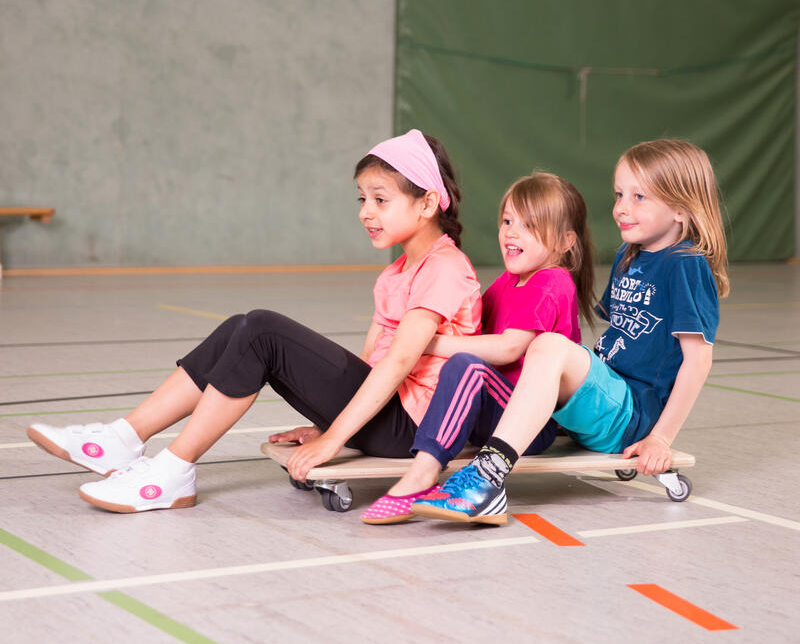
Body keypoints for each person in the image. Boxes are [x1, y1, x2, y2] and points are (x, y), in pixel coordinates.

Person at [27, 129, 482, 513]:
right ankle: (125, 436)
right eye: (363, 198)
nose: (365, 211)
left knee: (262, 330)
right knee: (240, 327)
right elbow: (368, 361)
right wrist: (330, 423)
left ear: (426, 205)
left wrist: (333, 440)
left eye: (381, 200)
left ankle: (173, 470)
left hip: (416, 428)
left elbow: (400, 362)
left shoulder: (444, 267)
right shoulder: (397, 272)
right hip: (388, 413)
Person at [413, 138, 729, 525]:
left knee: (549, 344)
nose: (621, 208)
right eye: (618, 194)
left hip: (633, 413)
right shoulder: (629, 255)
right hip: (607, 394)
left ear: (681, 208)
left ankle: (487, 478)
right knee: (548, 350)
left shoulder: (685, 263)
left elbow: (698, 361)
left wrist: (661, 437)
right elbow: (618, 338)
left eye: (639, 197)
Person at [360, 171, 595, 524]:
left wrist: (429, 342)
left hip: (527, 425)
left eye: (529, 225)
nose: (511, 232)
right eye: (507, 220)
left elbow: (507, 350)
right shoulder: (508, 281)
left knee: (464, 365)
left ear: (565, 242)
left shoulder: (552, 281)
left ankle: (422, 475)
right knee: (457, 365)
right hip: (494, 409)